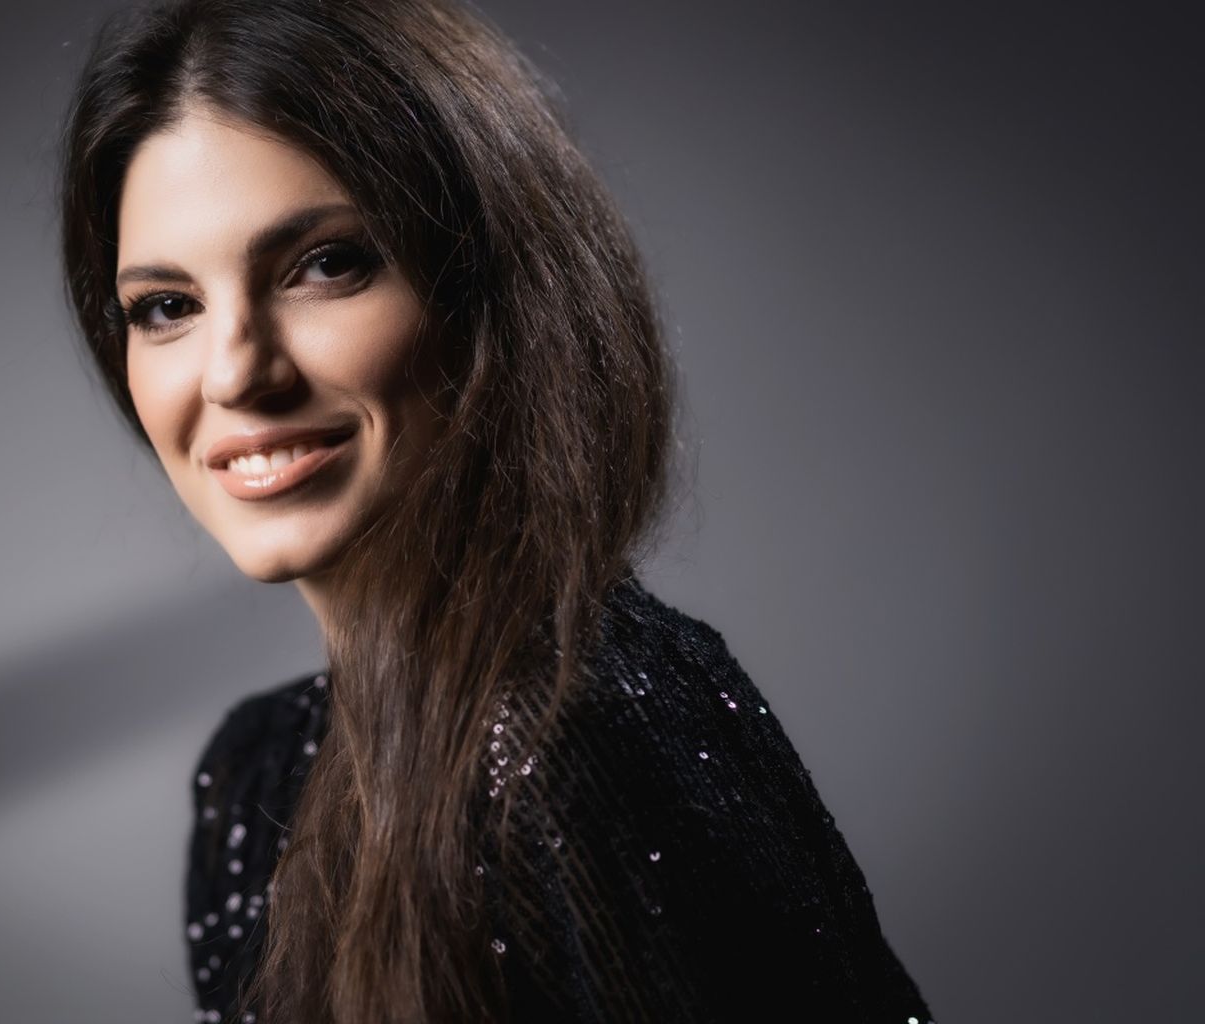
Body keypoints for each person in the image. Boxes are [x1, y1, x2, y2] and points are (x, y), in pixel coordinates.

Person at [58, 1, 935, 1021]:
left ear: (485, 291)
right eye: (167, 307)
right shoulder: (252, 782)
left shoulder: (584, 726)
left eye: (326, 264)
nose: (236, 372)